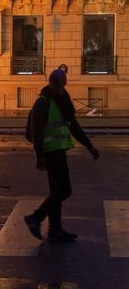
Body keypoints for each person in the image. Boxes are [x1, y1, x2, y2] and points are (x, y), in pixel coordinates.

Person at [24, 68, 100, 241]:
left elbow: (74, 126)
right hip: (51, 154)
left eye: (62, 82)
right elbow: (36, 131)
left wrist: (89, 146)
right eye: (59, 82)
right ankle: (35, 218)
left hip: (58, 151)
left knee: (56, 192)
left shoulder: (63, 101)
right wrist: (39, 155)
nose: (61, 85)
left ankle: (55, 230)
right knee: (64, 191)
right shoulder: (43, 102)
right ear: (53, 83)